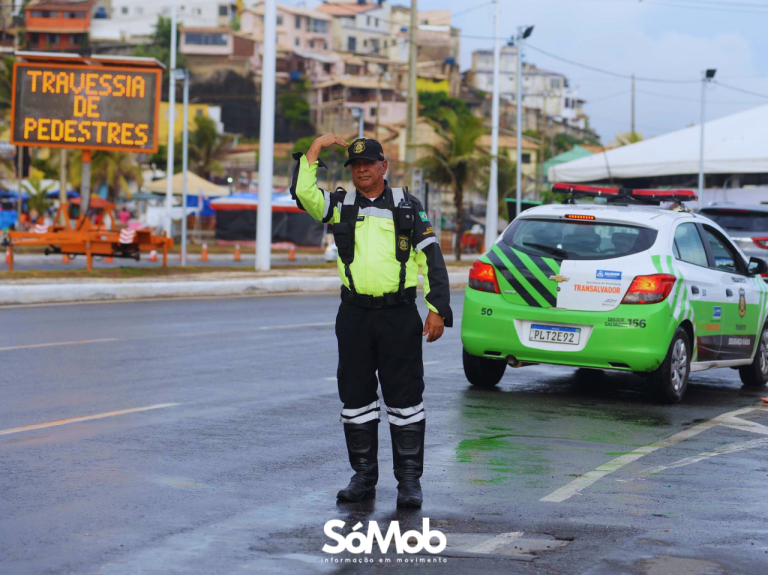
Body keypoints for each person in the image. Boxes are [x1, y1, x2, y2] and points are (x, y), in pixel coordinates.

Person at [293, 134, 453, 508]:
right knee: (356, 399)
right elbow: (305, 195)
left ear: (384, 166)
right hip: (353, 316)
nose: (362, 170)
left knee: (405, 399)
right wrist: (315, 148)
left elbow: (432, 259)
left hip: (399, 317)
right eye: (355, 165)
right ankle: (363, 477)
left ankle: (409, 482)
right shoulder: (339, 205)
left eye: (369, 163)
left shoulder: (407, 207)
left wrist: (437, 309)